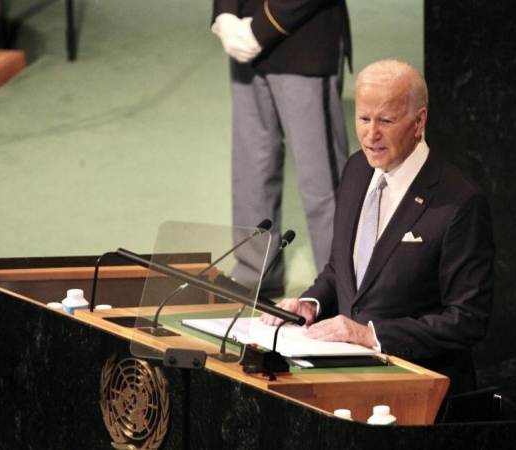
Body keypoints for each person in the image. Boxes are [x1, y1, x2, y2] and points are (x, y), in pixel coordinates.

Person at [262, 60, 495, 395]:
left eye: (386, 120)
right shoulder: (357, 169)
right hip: (345, 381)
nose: (371, 135)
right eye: (363, 118)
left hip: (419, 389)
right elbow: (340, 269)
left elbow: (467, 319)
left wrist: (371, 334)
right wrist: (309, 305)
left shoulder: (459, 201)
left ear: (419, 122)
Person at [210, 0, 352, 296]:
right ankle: (256, 270)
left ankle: (339, 286)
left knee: (322, 182)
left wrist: (260, 29)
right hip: (244, 44)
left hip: (303, 41)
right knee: (252, 169)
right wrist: (225, 15)